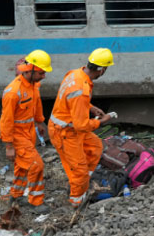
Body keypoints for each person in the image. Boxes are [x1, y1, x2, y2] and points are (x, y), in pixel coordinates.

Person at [48, 48, 116, 208]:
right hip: (65, 132)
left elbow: (72, 100)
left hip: (70, 128)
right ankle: (77, 203)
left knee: (95, 147)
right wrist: (102, 121)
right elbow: (82, 125)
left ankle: (83, 183)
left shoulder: (75, 74)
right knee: (78, 169)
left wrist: (90, 107)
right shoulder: (81, 89)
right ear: (102, 69)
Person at [0, 50, 52, 214]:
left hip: (28, 132)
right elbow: (6, 121)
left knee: (22, 166)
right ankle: (36, 202)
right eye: (42, 73)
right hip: (17, 136)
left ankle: (15, 195)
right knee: (36, 165)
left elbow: (36, 103)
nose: (44, 76)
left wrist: (39, 121)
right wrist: (9, 145)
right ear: (30, 70)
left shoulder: (34, 85)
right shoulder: (13, 92)